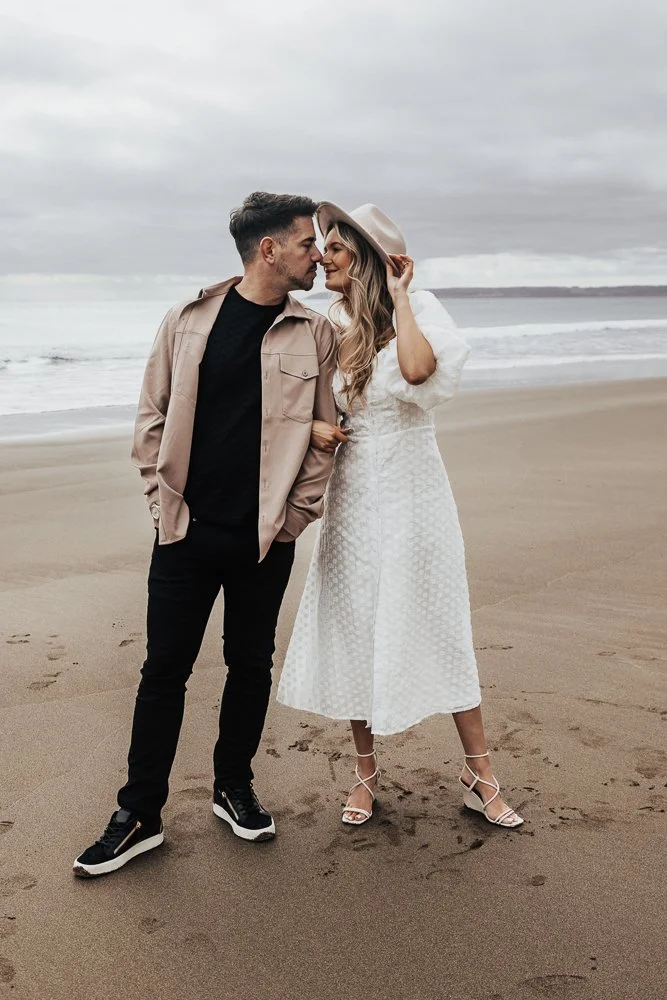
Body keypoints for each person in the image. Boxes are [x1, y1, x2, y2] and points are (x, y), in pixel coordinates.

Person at [73, 192, 338, 877]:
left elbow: (328, 433)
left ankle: (233, 787)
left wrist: (295, 516)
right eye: (307, 243)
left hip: (264, 537)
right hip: (185, 533)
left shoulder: (315, 333)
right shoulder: (187, 320)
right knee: (163, 672)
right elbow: (151, 419)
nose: (316, 254)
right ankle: (139, 813)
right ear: (268, 249)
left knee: (250, 665)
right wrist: (162, 506)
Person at [277, 202, 523, 828]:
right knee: (356, 620)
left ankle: (480, 774)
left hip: (415, 489)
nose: (323, 257)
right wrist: (312, 427)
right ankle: (365, 773)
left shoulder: (419, 309)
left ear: (368, 258)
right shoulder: (326, 323)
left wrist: (400, 296)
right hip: (355, 491)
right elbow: (298, 401)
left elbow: (417, 372)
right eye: (323, 246)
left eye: (336, 247)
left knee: (440, 619)